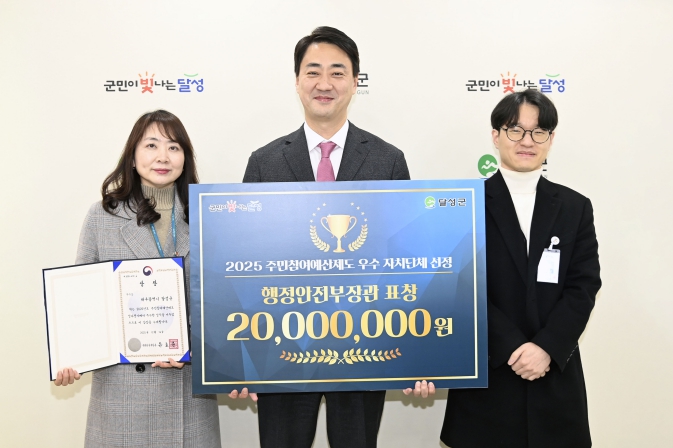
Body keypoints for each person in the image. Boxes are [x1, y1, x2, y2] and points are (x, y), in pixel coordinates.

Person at [238, 26, 410, 448]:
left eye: (337, 72)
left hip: (364, 345)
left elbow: (405, 259)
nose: (324, 83)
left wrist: (415, 356)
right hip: (282, 346)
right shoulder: (264, 162)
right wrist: (241, 360)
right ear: (297, 81)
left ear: (355, 82)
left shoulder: (388, 161)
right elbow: (241, 266)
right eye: (313, 72)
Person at [439, 89, 601, 447]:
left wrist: (545, 348)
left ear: (550, 139)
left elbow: (584, 286)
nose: (527, 141)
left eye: (538, 131)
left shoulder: (575, 207)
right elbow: (460, 287)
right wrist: (513, 346)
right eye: (515, 130)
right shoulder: (463, 204)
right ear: (495, 135)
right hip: (488, 375)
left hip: (554, 374)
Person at [53, 110, 221, 448]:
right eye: (151, 145)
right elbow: (81, 300)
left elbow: (222, 303)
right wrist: (73, 354)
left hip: (188, 394)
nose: (163, 156)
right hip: (123, 395)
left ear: (185, 158)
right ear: (132, 156)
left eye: (174, 147)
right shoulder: (102, 215)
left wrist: (195, 347)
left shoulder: (208, 215)